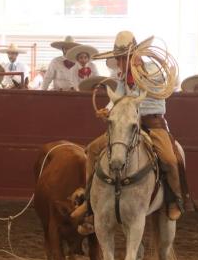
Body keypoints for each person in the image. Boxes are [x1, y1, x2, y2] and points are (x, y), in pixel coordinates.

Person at [71, 30, 185, 225]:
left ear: (134, 54)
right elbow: (118, 95)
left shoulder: (152, 68)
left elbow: (161, 82)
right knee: (93, 149)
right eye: (119, 59)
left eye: (124, 58)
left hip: (153, 123)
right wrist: (107, 109)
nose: (121, 62)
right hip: (128, 123)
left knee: (170, 159)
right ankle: (90, 198)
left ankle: (176, 199)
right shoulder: (123, 75)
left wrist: (142, 70)